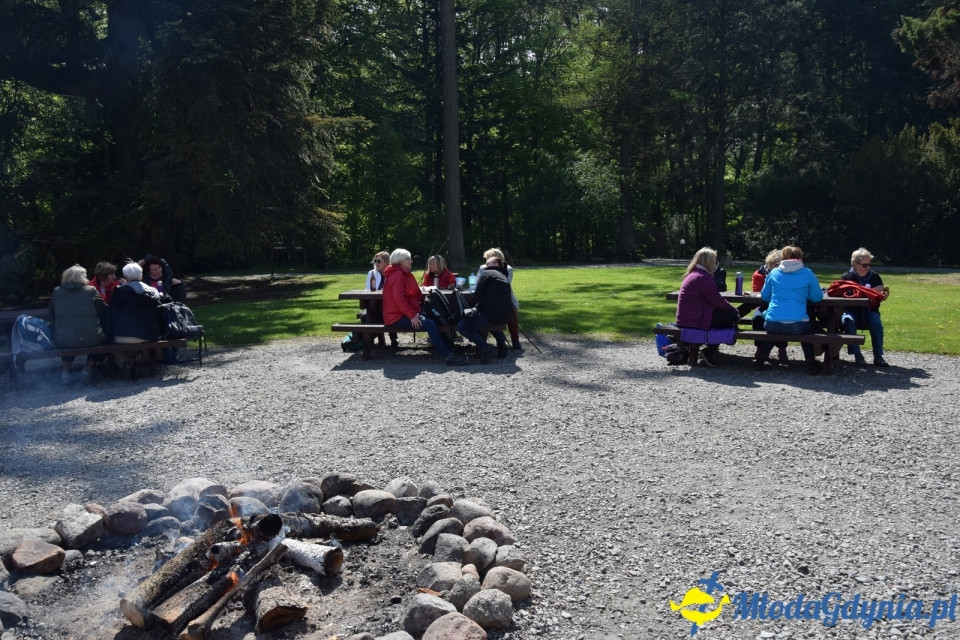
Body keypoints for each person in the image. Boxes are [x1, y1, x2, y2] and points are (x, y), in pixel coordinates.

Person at [381, 249, 468, 366]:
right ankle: (448, 356)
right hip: (396, 317)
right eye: (409, 259)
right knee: (430, 324)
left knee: (434, 318)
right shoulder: (398, 275)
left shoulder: (401, 273)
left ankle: (451, 347)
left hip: (402, 313)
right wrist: (412, 315)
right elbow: (398, 299)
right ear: (401, 261)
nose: (411, 261)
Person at [755, 245, 824, 375]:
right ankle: (810, 362)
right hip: (798, 324)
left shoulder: (774, 273)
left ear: (783, 258)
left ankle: (760, 359)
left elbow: (765, 296)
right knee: (806, 331)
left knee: (772, 329)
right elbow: (817, 297)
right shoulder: (807, 273)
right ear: (800, 258)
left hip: (773, 322)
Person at [675, 247, 740, 367]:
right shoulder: (703, 277)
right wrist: (734, 311)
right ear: (708, 261)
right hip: (695, 319)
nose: (715, 263)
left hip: (686, 317)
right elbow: (717, 300)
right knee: (731, 317)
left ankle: (707, 350)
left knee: (725, 317)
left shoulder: (693, 274)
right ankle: (709, 350)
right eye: (714, 260)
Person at [49, 265, 107, 384]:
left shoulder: (57, 291)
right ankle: (88, 367)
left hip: (64, 340)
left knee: (67, 334)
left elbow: (51, 312)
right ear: (80, 278)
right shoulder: (90, 290)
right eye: (85, 275)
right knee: (103, 337)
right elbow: (103, 310)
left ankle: (65, 373)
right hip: (92, 339)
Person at [839, 247, 889, 367]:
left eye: (869, 265)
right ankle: (857, 355)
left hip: (870, 311)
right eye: (864, 265)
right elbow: (846, 295)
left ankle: (878, 356)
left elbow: (879, 294)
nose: (867, 268)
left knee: (876, 322)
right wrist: (871, 292)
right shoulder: (846, 277)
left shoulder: (875, 277)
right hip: (851, 311)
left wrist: (876, 293)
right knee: (847, 320)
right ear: (854, 264)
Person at [458, 255, 512, 363]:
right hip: (506, 315)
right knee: (486, 316)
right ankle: (501, 344)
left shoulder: (487, 274)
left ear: (496, 264)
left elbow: (477, 296)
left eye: (488, 264)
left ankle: (486, 349)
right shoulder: (502, 275)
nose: (485, 266)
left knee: (462, 326)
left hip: (492, 316)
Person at [105, 262, 166, 346]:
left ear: (125, 277)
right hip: (150, 335)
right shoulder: (153, 291)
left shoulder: (119, 291)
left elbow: (111, 315)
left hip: (122, 335)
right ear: (141, 276)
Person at [477, 248, 522, 350]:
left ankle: (515, 340)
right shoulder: (482, 268)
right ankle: (499, 339)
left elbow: (505, 284)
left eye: (489, 259)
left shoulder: (508, 269)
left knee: (512, 312)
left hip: (505, 296)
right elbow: (477, 281)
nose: (486, 262)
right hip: (487, 297)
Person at [751, 249, 788, 364]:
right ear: (770, 264)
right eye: (776, 265)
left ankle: (782, 348)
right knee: (757, 318)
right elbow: (756, 292)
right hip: (763, 305)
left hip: (780, 305)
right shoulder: (758, 274)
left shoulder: (786, 275)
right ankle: (760, 348)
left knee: (782, 318)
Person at [364, 251, 397, 348]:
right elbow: (368, 289)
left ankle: (393, 339)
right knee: (367, 316)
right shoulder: (372, 273)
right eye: (375, 261)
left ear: (387, 262)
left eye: (379, 261)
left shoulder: (392, 273)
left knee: (388, 313)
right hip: (375, 304)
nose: (376, 263)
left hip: (390, 305)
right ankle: (369, 341)